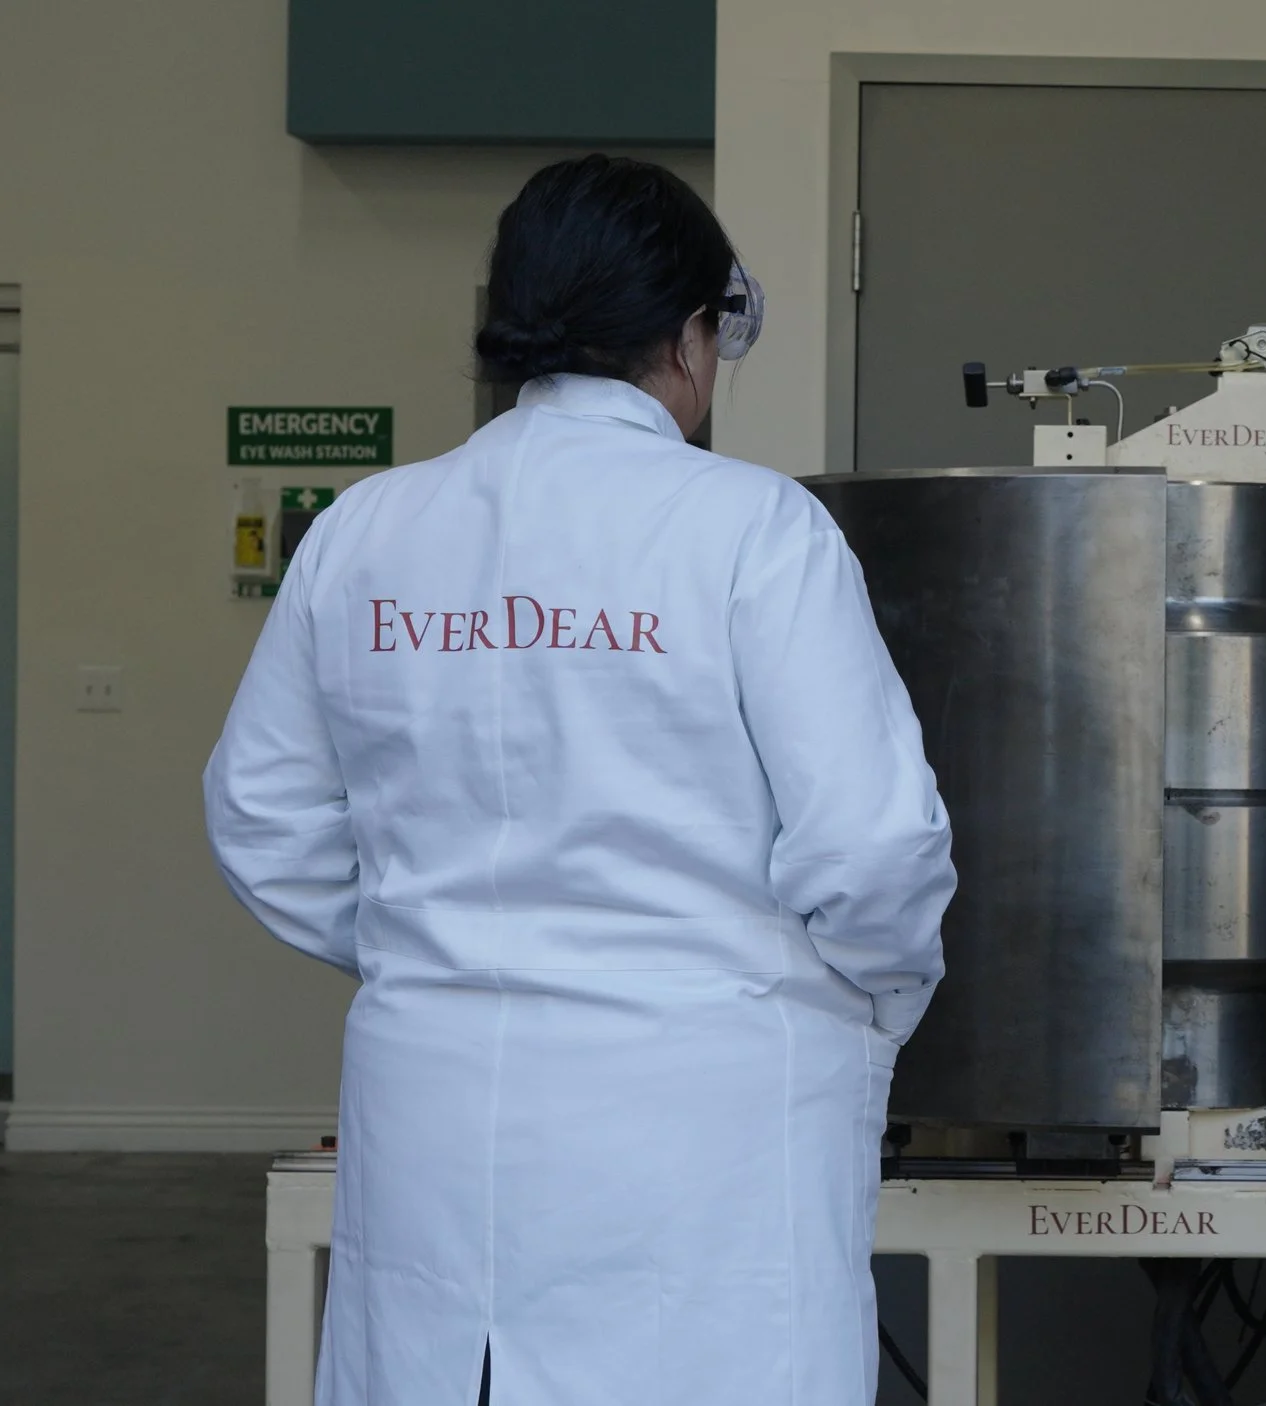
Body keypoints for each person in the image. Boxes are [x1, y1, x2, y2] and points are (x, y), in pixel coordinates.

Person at [204, 154, 954, 1406]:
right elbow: (873, 848)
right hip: (703, 1106)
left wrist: (432, 941)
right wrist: (865, 1003)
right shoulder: (752, 527)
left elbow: (261, 815)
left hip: (435, 1097)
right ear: (688, 334)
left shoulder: (367, 530)